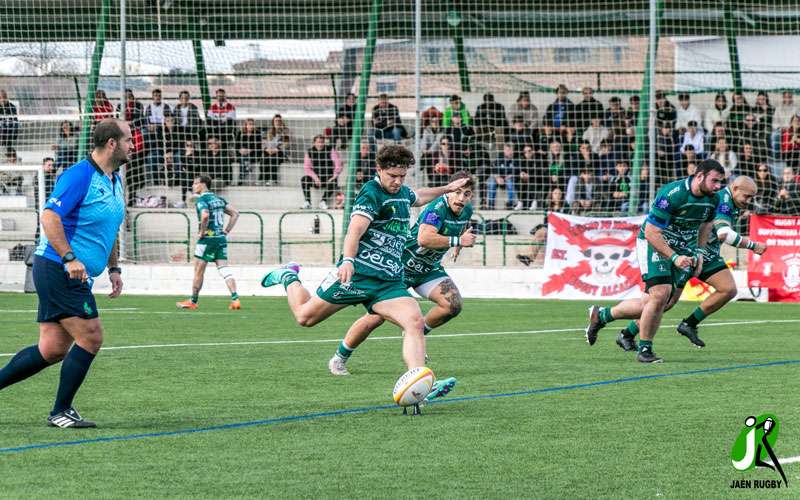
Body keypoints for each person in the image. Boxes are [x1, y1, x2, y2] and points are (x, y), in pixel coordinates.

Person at [260, 145, 469, 400]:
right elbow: (355, 231)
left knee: (414, 320)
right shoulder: (371, 193)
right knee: (305, 317)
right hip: (357, 274)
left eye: (402, 176)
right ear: (379, 170)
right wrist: (347, 260)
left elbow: (420, 195)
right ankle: (289, 276)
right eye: (392, 176)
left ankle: (420, 382)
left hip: (388, 281)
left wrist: (447, 189)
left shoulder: (402, 192)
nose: (397, 181)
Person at [0, 118, 129, 428]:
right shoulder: (79, 175)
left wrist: (113, 268)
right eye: (128, 139)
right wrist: (69, 257)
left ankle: (58, 409)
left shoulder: (115, 179)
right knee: (91, 336)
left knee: (53, 348)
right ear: (111, 143)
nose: (132, 145)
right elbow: (50, 217)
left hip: (65, 271)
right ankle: (61, 411)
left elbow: (109, 228)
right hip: (60, 269)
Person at [584, 175, 765, 352]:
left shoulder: (729, 201)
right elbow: (723, 233)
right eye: (747, 196)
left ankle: (685, 324)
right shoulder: (722, 200)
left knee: (723, 290)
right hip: (685, 251)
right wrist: (752, 245)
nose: (749, 201)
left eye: (752, 198)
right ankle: (611, 321)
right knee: (660, 301)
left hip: (699, 253)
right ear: (734, 189)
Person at [327, 170, 476, 376]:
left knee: (453, 305)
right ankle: (339, 358)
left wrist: (460, 238)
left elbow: (459, 227)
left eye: (467, 193)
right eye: (457, 192)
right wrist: (457, 241)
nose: (461, 198)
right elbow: (424, 238)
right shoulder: (437, 208)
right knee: (375, 318)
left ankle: (416, 333)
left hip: (428, 269)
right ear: (448, 191)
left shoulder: (466, 210)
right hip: (402, 266)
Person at [177, 175, 241, 311]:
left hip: (207, 240)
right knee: (224, 269)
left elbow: (205, 215)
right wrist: (226, 231)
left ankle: (193, 301)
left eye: (195, 183)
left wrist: (202, 231)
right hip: (220, 238)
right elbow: (235, 213)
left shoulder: (202, 200)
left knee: (198, 272)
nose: (193, 186)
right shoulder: (219, 199)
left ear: (203, 184)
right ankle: (235, 298)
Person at [301, 134, 342, 210]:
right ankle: (308, 202)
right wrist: (315, 178)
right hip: (316, 179)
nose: (320, 144)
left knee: (334, 181)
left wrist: (335, 175)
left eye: (322, 142)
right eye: (318, 142)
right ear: (314, 143)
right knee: (304, 179)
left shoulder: (330, 149)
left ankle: (323, 201)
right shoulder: (310, 152)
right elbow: (307, 168)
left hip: (328, 178)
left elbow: (338, 164)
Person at [262, 114, 289, 185]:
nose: (277, 122)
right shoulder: (269, 131)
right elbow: (263, 143)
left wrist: (277, 149)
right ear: (273, 122)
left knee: (273, 159)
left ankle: (273, 179)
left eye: (279, 121)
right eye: (276, 121)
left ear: (281, 122)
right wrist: (266, 149)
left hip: (280, 153)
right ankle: (263, 179)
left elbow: (286, 143)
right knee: (264, 159)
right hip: (269, 152)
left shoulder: (285, 131)